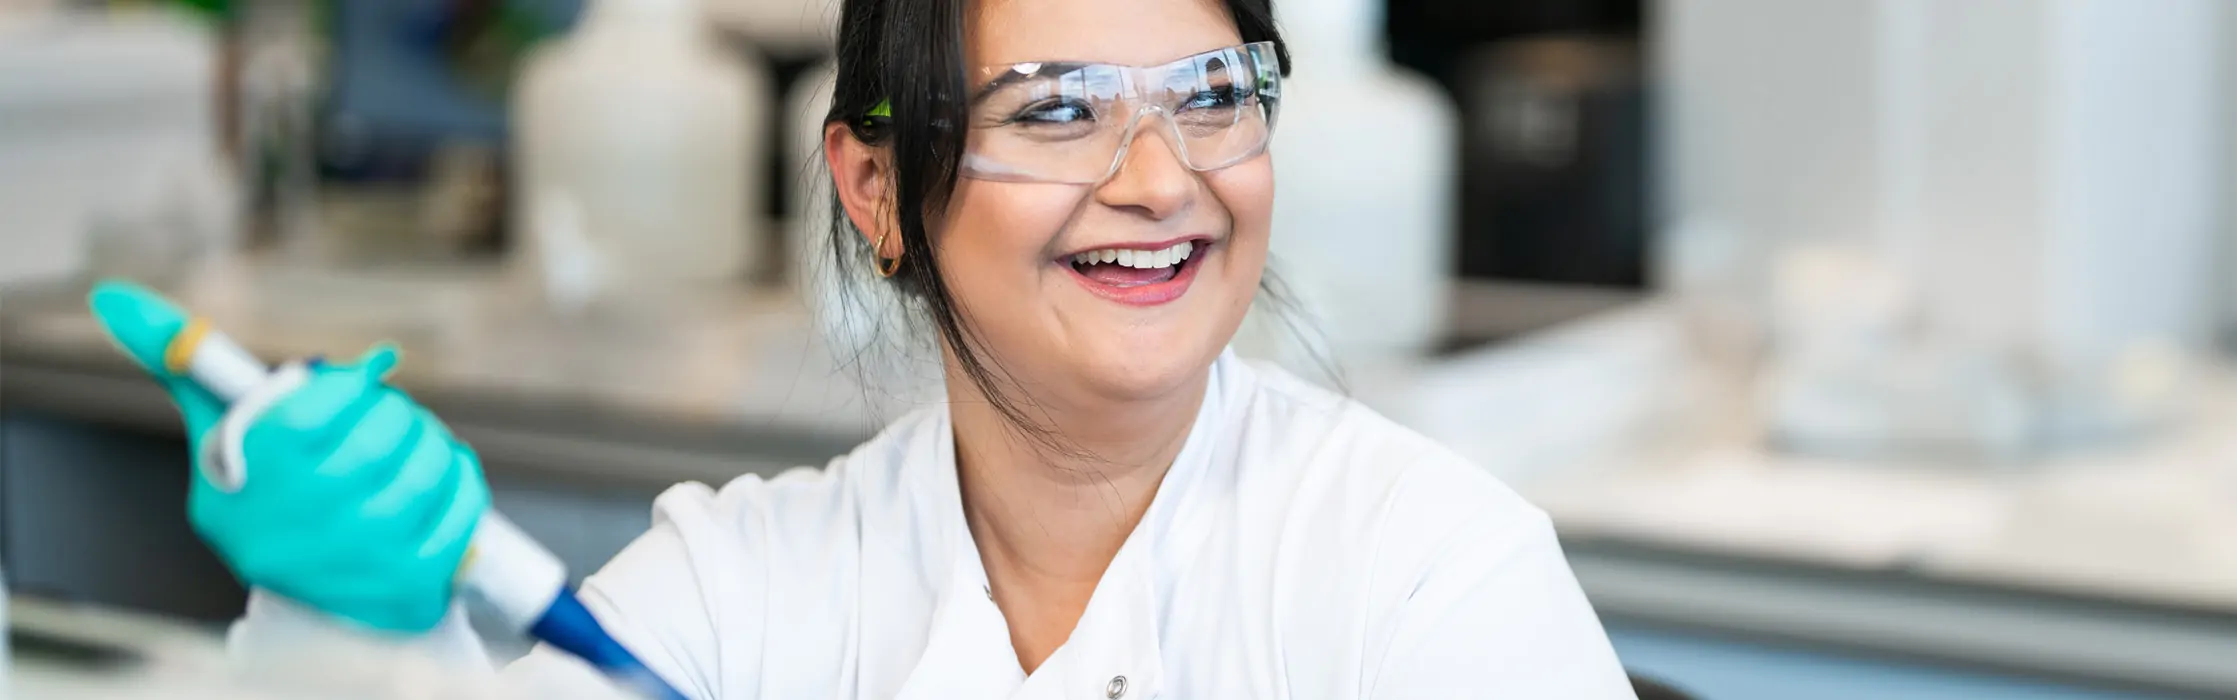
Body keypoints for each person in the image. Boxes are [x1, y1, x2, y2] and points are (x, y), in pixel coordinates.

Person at [99, 0, 1637, 696]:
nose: (1164, 180)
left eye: (1214, 94)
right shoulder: (745, 589)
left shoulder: (1431, 577)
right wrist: (334, 628)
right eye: (1058, 108)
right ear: (877, 188)